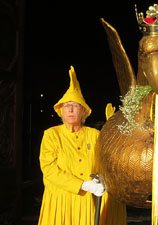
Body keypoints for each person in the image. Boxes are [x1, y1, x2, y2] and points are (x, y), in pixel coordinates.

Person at [38, 66, 105, 225]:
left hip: (85, 202)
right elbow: (49, 169)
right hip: (58, 202)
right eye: (66, 105)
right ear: (60, 110)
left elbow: (104, 162)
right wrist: (82, 185)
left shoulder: (95, 135)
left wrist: (102, 179)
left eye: (75, 105)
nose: (70, 108)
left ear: (83, 111)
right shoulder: (51, 135)